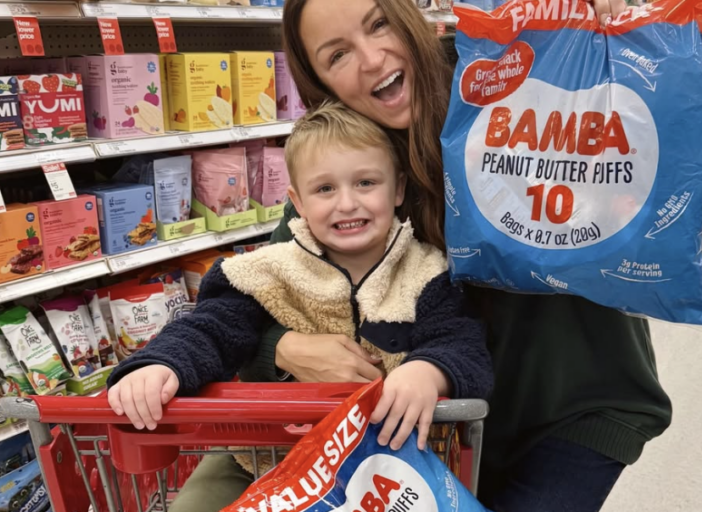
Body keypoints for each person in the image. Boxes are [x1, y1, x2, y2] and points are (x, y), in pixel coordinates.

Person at [238, 1, 673, 512]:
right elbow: (248, 296)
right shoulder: (343, 161)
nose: (373, 59)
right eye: (337, 55)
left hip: (577, 404)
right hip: (442, 428)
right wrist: (283, 348)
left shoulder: (502, 69)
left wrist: (599, 28)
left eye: (379, 24)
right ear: (319, 85)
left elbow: (642, 113)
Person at [106, 102, 493, 512]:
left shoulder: (427, 274)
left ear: (397, 189)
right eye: (325, 189)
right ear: (298, 201)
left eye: (365, 183)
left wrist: (427, 371)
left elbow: (462, 343)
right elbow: (211, 328)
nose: (347, 203)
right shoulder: (267, 272)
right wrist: (160, 365)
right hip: (264, 458)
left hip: (388, 465)